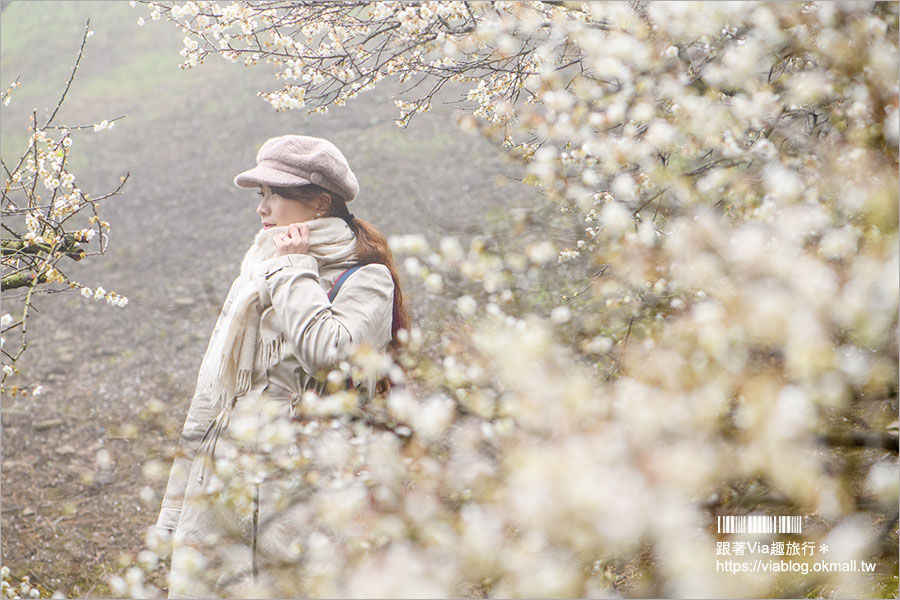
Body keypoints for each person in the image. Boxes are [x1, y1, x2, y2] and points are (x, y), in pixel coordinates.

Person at [156, 135, 409, 598]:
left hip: (304, 485)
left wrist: (296, 270)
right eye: (261, 194)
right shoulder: (258, 270)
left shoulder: (366, 278)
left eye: (276, 194)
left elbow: (330, 354)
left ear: (319, 203)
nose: (262, 208)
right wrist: (178, 508)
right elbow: (213, 395)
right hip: (223, 478)